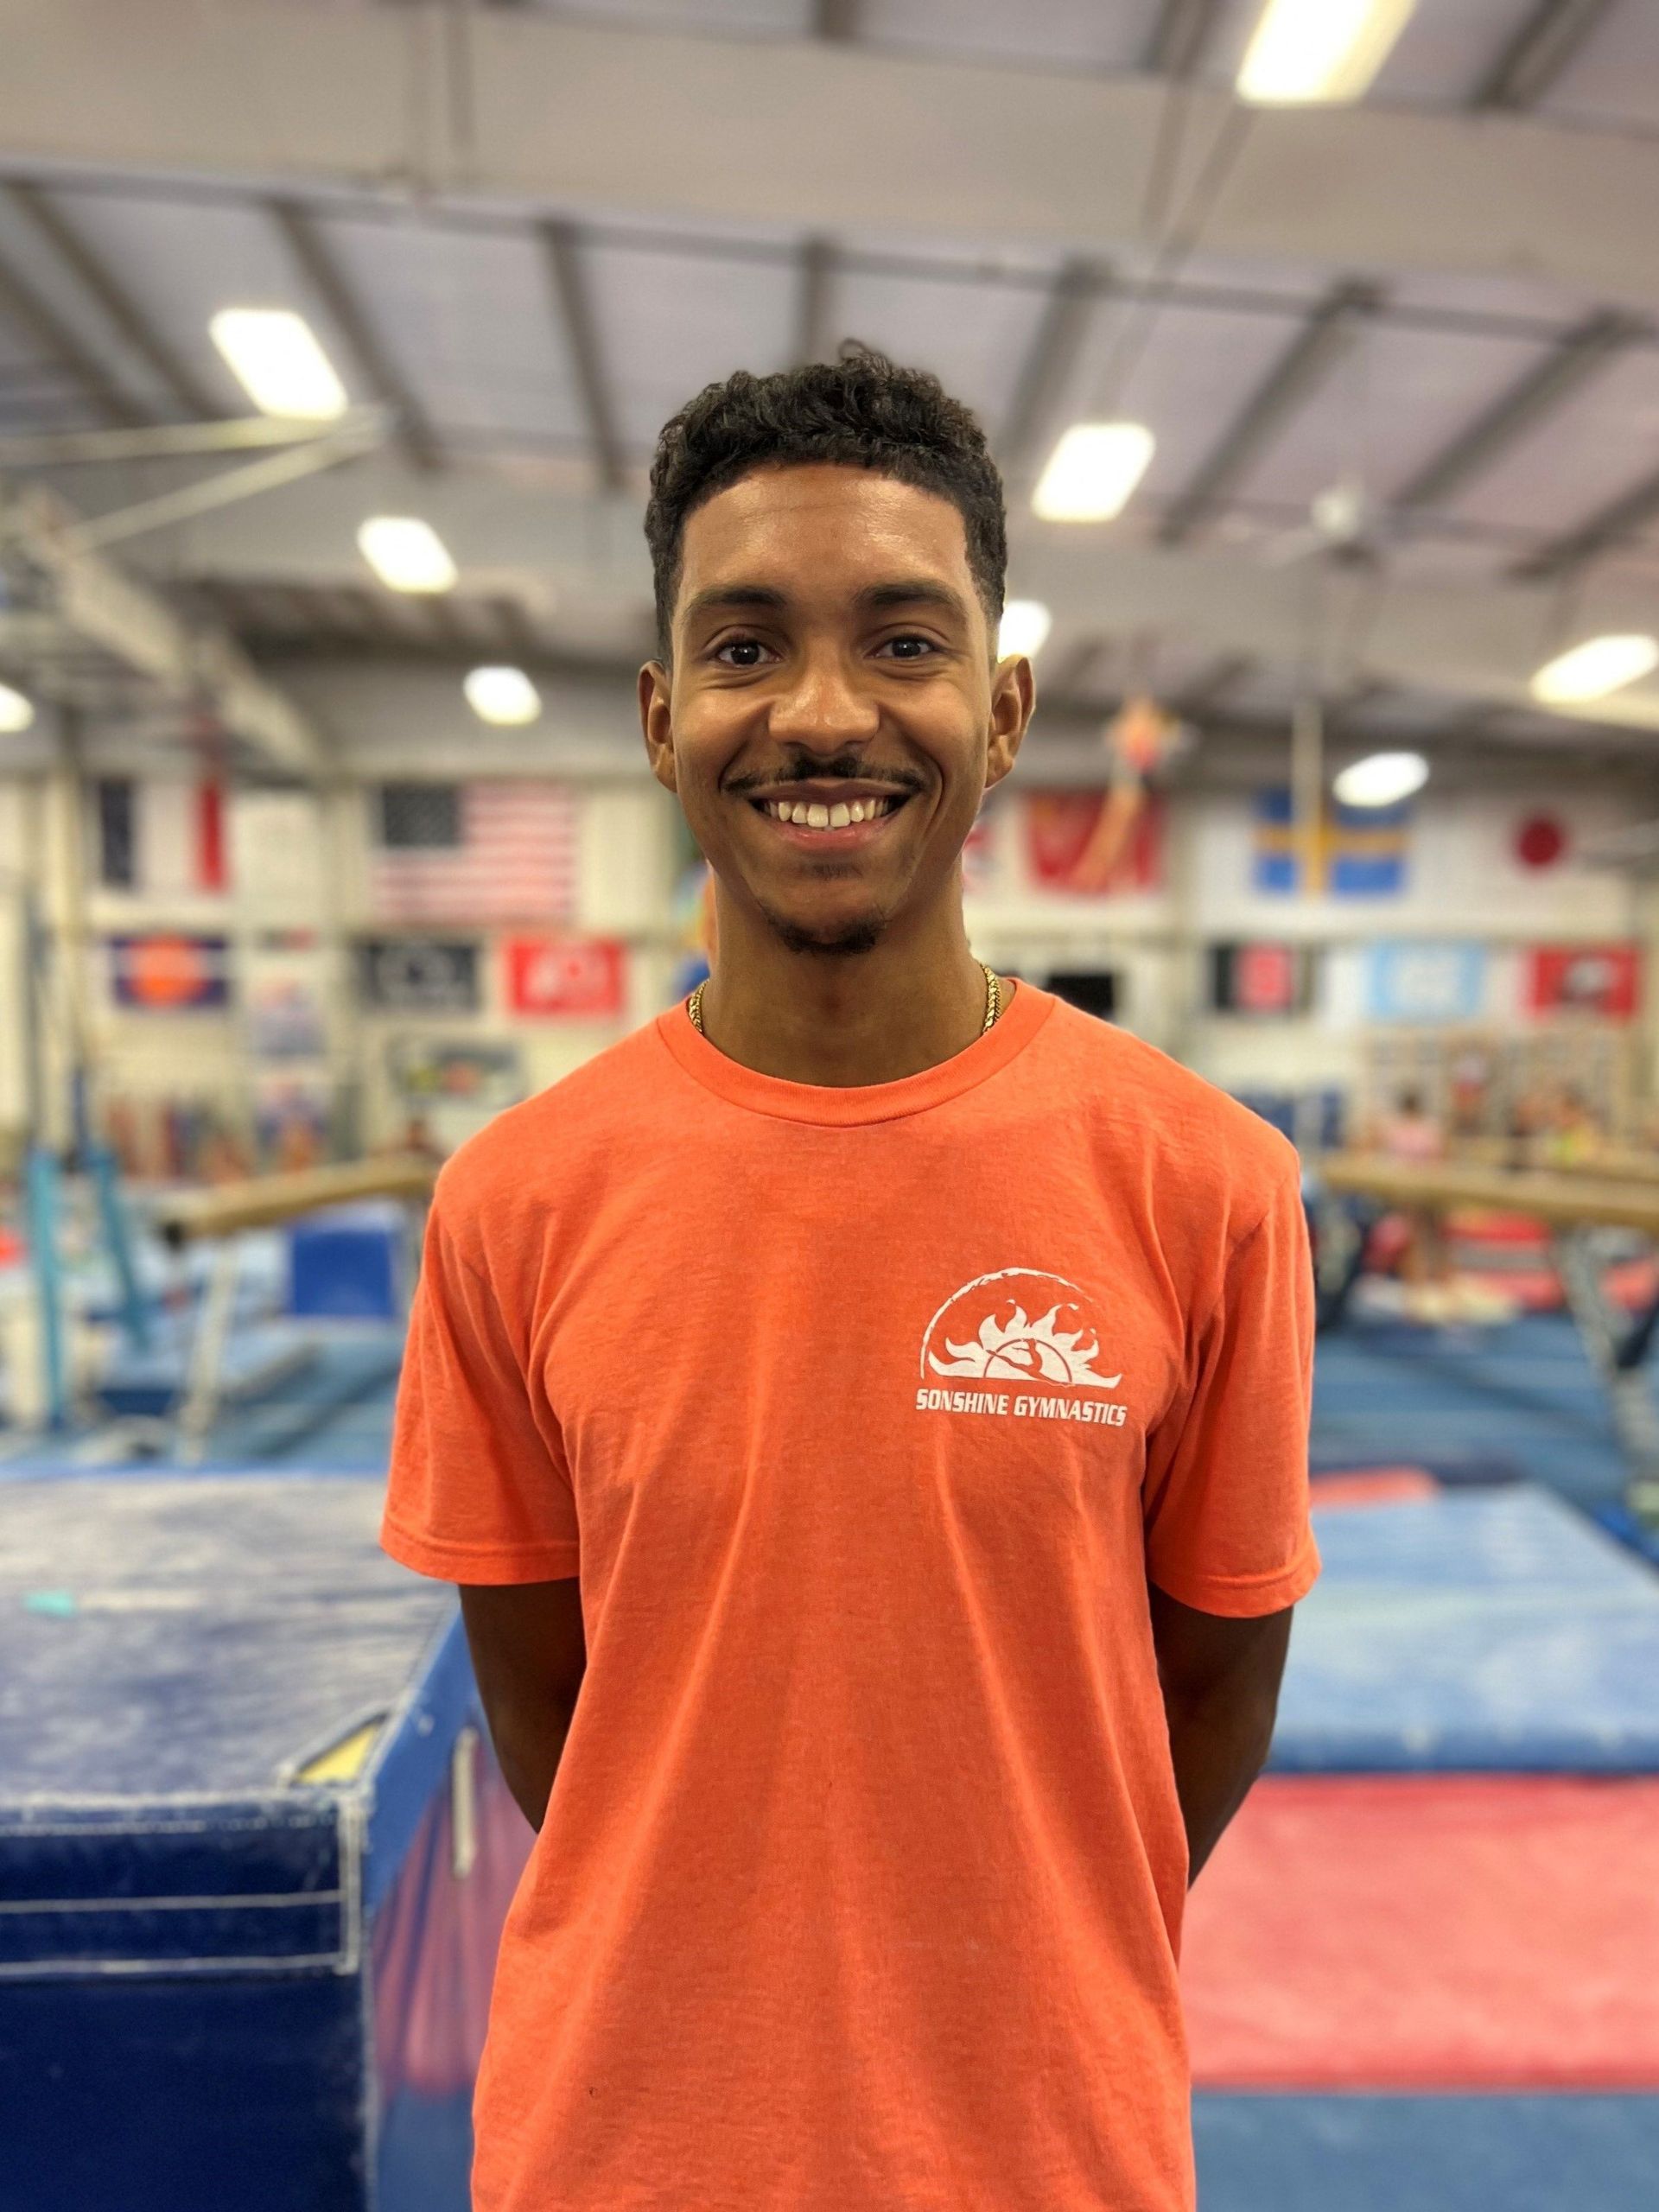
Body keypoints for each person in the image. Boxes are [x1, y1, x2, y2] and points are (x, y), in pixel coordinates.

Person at [380, 347, 1320, 2212]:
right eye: (746, 648)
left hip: (1044, 2150)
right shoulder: (516, 1202)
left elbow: (1210, 1687)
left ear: (1003, 709)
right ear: (662, 718)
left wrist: (1019, 1956)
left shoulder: (1203, 1184)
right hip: (622, 2150)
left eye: (903, 641)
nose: (822, 715)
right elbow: (551, 1714)